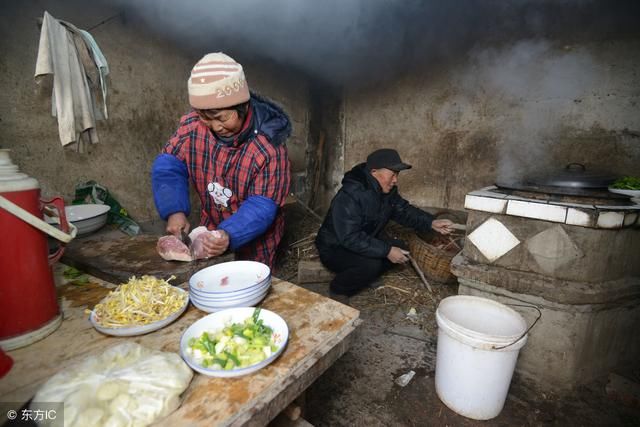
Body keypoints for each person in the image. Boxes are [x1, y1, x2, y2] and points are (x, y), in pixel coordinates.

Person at [151, 52, 291, 269]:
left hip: (256, 238)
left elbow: (261, 206)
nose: (215, 126)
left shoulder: (269, 147)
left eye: (221, 118)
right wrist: (174, 211)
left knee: (248, 288)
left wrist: (229, 234)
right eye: (205, 117)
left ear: (242, 106)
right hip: (211, 229)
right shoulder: (192, 127)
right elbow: (169, 165)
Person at [315, 148, 454, 300]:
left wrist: (431, 222)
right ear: (374, 172)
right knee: (371, 265)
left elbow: (404, 211)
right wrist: (386, 250)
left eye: (397, 174)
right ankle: (339, 290)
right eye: (393, 174)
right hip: (336, 247)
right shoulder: (351, 195)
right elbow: (350, 238)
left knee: (402, 248)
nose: (396, 180)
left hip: (365, 237)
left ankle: (366, 276)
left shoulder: (387, 191)